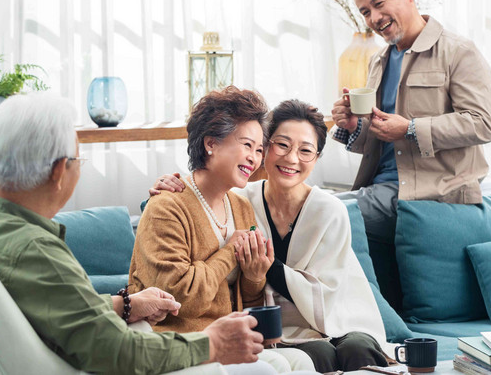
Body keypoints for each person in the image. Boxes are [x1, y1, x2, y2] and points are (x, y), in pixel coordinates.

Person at [0, 93, 275, 375]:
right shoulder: (36, 250)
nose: (254, 156)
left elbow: (64, 309)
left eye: (258, 148)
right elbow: (119, 351)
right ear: (58, 172)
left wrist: (125, 304)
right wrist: (213, 344)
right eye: (78, 160)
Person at [152, 100, 392, 373]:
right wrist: (170, 186)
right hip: (281, 328)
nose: (291, 158)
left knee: (358, 349)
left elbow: (328, 295)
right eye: (282, 145)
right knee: (318, 354)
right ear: (265, 147)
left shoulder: (330, 210)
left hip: (338, 318)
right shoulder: (239, 201)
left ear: (316, 158)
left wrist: (269, 267)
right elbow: (200, 199)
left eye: (305, 151)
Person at [330, 0, 491, 309]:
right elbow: (378, 136)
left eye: (378, 4)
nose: (374, 18)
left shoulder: (458, 52)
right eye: (364, 12)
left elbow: (482, 123)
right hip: (381, 191)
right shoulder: (379, 61)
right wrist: (351, 127)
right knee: (313, 206)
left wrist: (410, 129)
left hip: (431, 196)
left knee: (324, 213)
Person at [129, 87, 314, 373]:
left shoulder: (241, 208)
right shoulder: (166, 208)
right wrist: (229, 253)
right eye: (246, 145)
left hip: (229, 343)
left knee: (301, 361)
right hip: (179, 344)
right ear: (211, 144)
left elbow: (245, 302)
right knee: (271, 367)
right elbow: (179, 298)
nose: (254, 158)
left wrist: (254, 275)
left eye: (259, 149)